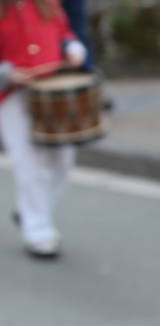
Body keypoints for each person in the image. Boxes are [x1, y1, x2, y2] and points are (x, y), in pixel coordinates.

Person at [0, 0, 87, 257]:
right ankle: (38, 232)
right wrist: (7, 73)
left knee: (63, 160)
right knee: (28, 162)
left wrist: (71, 47)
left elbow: (63, 31)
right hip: (12, 96)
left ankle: (30, 211)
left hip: (52, 90)